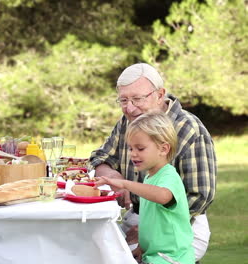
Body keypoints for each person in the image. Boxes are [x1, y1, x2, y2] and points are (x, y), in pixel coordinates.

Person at [89, 63, 216, 261]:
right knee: (98, 249)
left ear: (160, 94)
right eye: (123, 100)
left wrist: (149, 230)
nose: (129, 108)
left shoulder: (188, 128)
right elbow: (102, 157)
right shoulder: (130, 121)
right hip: (141, 215)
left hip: (180, 226)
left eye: (137, 99)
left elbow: (200, 195)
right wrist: (113, 176)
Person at [95, 112, 194, 264]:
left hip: (171, 259)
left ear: (163, 149)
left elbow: (162, 196)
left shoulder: (169, 176)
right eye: (131, 148)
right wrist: (142, 247)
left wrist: (125, 183)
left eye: (140, 149)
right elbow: (152, 221)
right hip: (153, 256)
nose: (133, 154)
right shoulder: (150, 177)